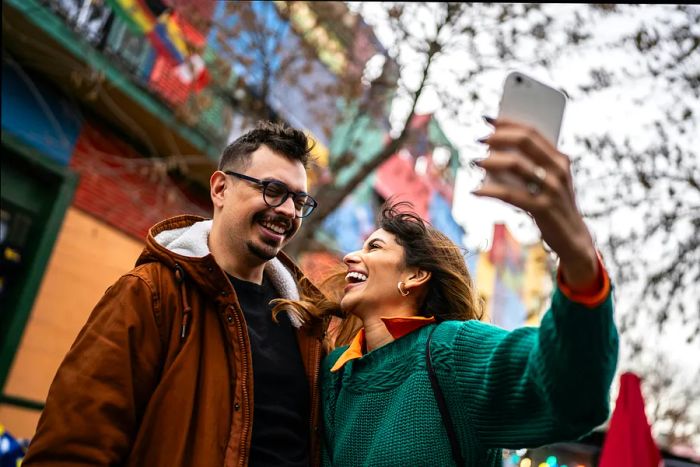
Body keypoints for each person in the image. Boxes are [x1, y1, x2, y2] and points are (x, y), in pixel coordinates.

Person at [273, 118, 619, 466]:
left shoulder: (451, 353)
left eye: (374, 247)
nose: (351, 256)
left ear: (415, 276)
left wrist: (578, 257)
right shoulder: (336, 374)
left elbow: (572, 390)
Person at [23, 121, 329, 466]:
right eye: (272, 190)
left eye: (299, 200)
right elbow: (72, 446)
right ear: (220, 189)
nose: (288, 210)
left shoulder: (305, 324)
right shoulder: (151, 293)